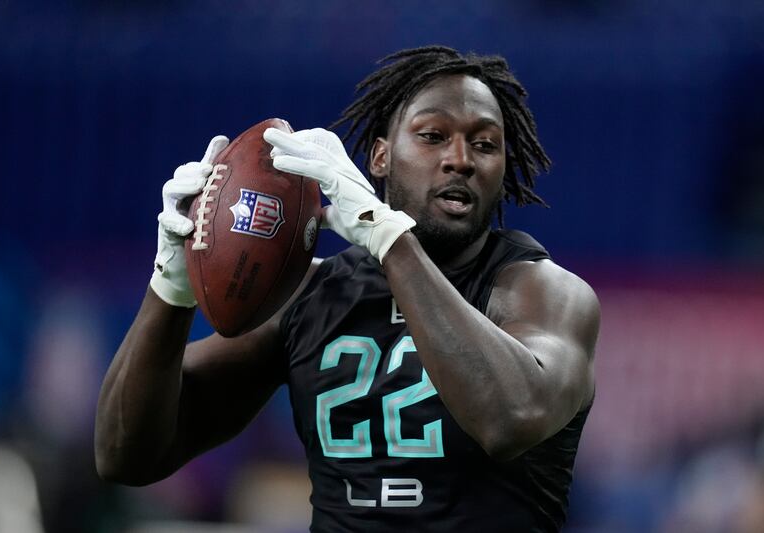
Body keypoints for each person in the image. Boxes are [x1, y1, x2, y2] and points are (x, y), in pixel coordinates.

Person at [95, 45, 600, 532]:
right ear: (380, 158)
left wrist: (390, 239)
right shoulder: (314, 295)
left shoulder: (544, 292)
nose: (460, 159)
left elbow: (508, 419)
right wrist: (172, 285)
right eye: (432, 136)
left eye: (485, 144)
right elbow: (125, 455)